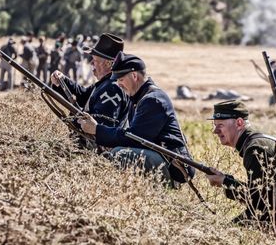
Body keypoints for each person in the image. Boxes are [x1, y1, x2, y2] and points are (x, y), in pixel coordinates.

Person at [78, 51, 195, 187]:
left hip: (174, 170)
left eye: (121, 80)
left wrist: (97, 130)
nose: (119, 84)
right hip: (161, 159)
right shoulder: (139, 97)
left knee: (119, 154)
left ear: (134, 76)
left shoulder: (153, 100)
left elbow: (134, 138)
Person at [205, 100, 276, 224]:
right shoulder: (257, 142)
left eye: (220, 125)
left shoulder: (254, 148)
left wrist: (224, 182)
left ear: (239, 123)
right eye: (214, 125)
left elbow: (260, 204)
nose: (215, 131)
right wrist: (225, 180)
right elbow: (261, 194)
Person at [50, 33, 129, 134]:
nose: (91, 63)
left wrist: (77, 119)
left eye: (95, 60)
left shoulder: (112, 88)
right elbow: (83, 95)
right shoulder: (106, 83)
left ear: (109, 63)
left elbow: (100, 126)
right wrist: (62, 80)